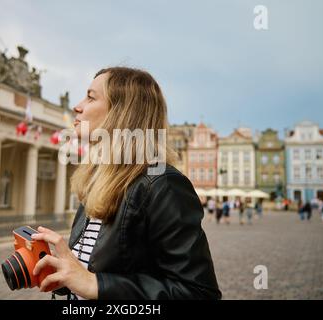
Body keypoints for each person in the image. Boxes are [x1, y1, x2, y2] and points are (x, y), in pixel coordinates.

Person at [30, 67, 221, 300]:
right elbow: (93, 272)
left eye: (91, 97)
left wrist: (96, 284)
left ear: (122, 112)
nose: (77, 106)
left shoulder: (163, 185)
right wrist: (62, 273)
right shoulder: (96, 181)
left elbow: (199, 294)